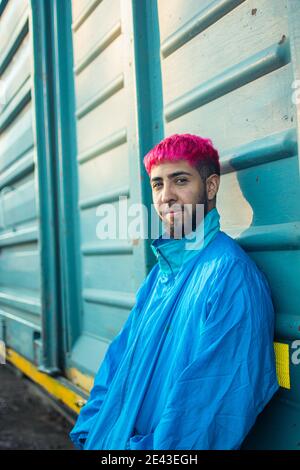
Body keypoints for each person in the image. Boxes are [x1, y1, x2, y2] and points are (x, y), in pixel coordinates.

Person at [69, 134, 279, 450]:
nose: (166, 196)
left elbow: (210, 413)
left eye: (180, 180)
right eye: (157, 184)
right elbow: (118, 364)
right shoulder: (160, 274)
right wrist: (89, 432)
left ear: (210, 187)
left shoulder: (231, 277)